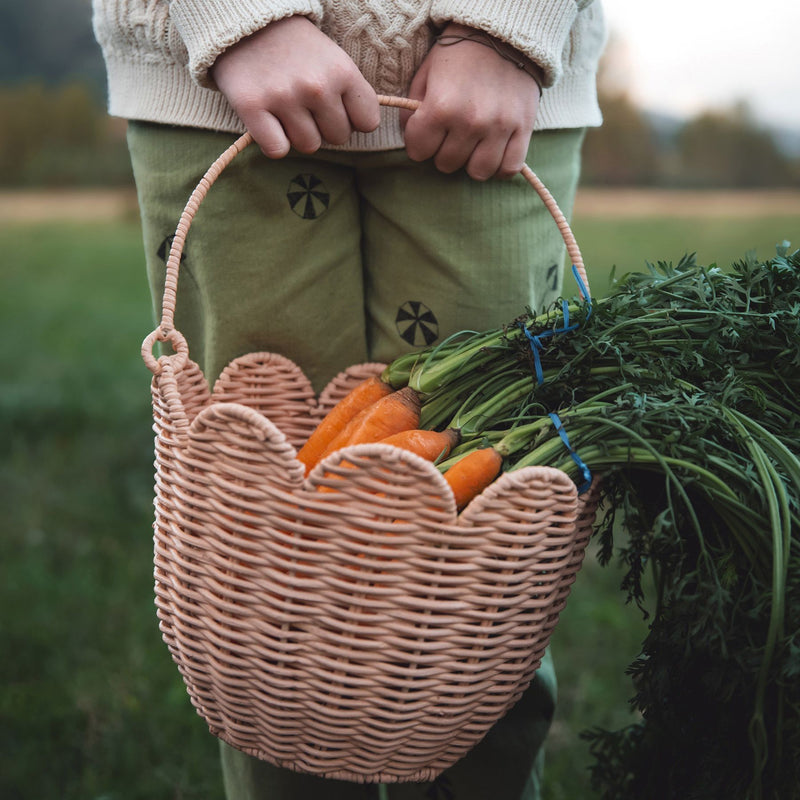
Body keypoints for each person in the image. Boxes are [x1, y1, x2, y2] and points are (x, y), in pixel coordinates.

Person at [92, 2, 606, 798]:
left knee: (481, 590)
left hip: (490, 99)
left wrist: (506, 29)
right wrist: (237, 18)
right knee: (261, 584)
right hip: (212, 92)